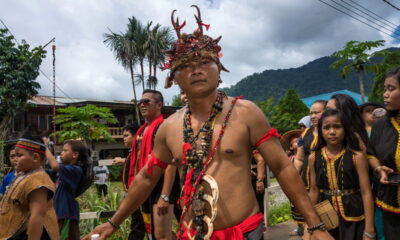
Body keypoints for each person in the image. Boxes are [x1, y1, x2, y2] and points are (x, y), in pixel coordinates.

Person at [83, 5, 333, 240]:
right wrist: (114, 222)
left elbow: (282, 167)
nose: (197, 70)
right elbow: (147, 178)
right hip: (193, 232)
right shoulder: (169, 127)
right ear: (174, 78)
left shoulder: (246, 112)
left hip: (244, 230)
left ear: (218, 68)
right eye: (186, 66)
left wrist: (314, 224)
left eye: (204, 62)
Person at [118, 90, 181, 240]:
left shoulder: (163, 127)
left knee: (162, 235)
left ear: (159, 105)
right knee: (153, 232)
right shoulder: (142, 131)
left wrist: (164, 196)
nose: (142, 105)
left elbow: (171, 164)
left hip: (161, 186)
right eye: (140, 102)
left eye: (146, 102)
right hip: (146, 185)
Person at [309, 109, 375, 239]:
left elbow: (366, 192)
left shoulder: (357, 157)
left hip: (354, 216)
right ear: (320, 131)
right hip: (325, 217)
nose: (332, 132)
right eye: (326, 127)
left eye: (337, 127)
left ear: (345, 129)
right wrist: (309, 224)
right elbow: (314, 190)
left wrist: (369, 229)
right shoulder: (314, 158)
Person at [0, 138, 59, 240]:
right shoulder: (24, 175)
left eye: (19, 155)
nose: (15, 159)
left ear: (35, 157)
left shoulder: (38, 180)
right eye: (13, 156)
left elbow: (38, 216)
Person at [367, 67, 400, 240]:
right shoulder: (380, 126)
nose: (385, 94)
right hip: (390, 200)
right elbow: (370, 154)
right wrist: (379, 168)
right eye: (385, 89)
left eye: (391, 89)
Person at [44, 139, 90, 240]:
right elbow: (45, 172)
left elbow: (55, 166)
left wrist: (45, 148)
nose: (61, 153)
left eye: (65, 150)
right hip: (61, 211)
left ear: (75, 155)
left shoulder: (75, 170)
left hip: (66, 212)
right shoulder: (64, 170)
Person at [113, 123, 146, 240]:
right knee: (138, 225)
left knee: (138, 226)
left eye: (126, 135)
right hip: (133, 193)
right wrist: (122, 160)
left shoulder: (141, 152)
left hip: (140, 194)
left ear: (136, 135)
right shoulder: (133, 152)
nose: (124, 138)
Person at [294, 100, 327, 190]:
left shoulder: (333, 133)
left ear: (327, 112)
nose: (312, 116)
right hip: (308, 185)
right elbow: (299, 159)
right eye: (311, 113)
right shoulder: (305, 134)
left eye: (316, 113)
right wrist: (295, 178)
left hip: (328, 186)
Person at [281, 129, 304, 236]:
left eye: (300, 140)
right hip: (294, 188)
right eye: (295, 141)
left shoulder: (305, 157)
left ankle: (307, 228)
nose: (298, 142)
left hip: (305, 187)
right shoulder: (289, 159)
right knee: (295, 209)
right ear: (290, 147)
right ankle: (300, 228)